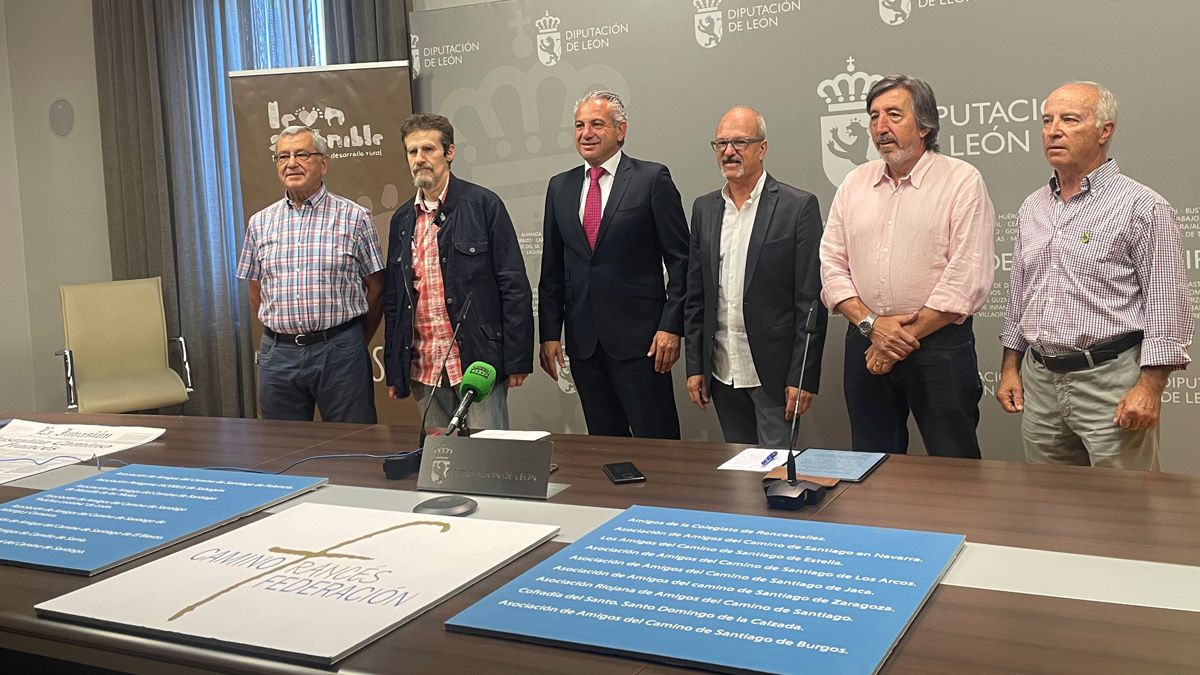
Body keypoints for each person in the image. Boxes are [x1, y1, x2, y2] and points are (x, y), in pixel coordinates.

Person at [996, 81, 1192, 471]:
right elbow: (1021, 295)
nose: (1053, 130)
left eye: (1070, 119)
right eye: (1047, 120)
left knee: (1123, 508)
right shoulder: (1032, 207)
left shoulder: (1143, 206)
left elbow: (1167, 304)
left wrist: (1150, 388)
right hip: (1041, 380)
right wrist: (1010, 367)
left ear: (1105, 131)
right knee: (1050, 506)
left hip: (1111, 380)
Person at [819, 75, 995, 458]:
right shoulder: (853, 183)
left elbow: (967, 276)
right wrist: (872, 326)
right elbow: (831, 264)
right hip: (865, 338)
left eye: (893, 115)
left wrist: (895, 342)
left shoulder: (961, 181)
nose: (880, 127)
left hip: (938, 344)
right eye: (873, 116)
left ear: (925, 125)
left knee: (954, 463)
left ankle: (956, 523)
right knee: (871, 462)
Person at [538, 89, 690, 439]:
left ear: (621, 130)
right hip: (585, 344)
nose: (586, 133)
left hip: (643, 343)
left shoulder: (651, 180)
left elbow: (682, 262)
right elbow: (552, 271)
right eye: (579, 125)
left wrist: (671, 326)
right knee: (605, 449)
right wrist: (549, 334)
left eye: (596, 124)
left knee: (658, 447)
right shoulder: (559, 187)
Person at [684, 106, 827, 447]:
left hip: (774, 375)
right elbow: (695, 297)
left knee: (777, 477)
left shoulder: (798, 207)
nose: (729, 152)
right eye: (721, 144)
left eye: (740, 142)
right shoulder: (704, 210)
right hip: (721, 371)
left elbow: (811, 302)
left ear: (762, 148)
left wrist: (803, 376)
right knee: (740, 479)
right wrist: (695, 366)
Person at [383, 113, 532, 431]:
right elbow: (395, 301)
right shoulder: (401, 221)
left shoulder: (483, 205)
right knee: (441, 463)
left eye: (428, 149)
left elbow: (513, 285)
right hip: (424, 365)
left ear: (449, 153)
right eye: (413, 152)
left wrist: (517, 359)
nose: (420, 159)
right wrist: (396, 369)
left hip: (477, 362)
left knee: (488, 460)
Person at [236, 125, 384, 423]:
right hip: (278, 356)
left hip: (340, 352)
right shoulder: (259, 222)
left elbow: (377, 287)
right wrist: (285, 328)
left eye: (302, 154)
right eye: (282, 156)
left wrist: (352, 340)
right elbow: (256, 290)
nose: (291, 163)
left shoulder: (355, 218)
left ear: (324, 163)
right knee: (281, 451)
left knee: (351, 446)